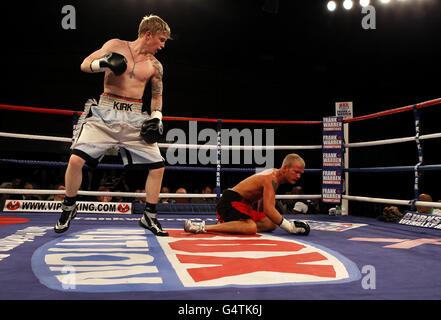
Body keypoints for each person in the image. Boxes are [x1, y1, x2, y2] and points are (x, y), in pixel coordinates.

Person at [54, 14, 172, 236]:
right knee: (75, 159)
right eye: (161, 39)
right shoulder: (115, 45)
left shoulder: (155, 66)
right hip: (105, 113)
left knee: (158, 166)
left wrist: (157, 117)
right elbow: (85, 65)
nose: (163, 45)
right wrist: (103, 63)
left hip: (135, 116)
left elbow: (156, 97)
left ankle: (150, 216)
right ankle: (69, 206)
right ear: (149, 35)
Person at [184, 153, 310, 235]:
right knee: (251, 228)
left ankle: (233, 227)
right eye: (296, 172)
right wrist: (290, 227)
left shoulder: (275, 177)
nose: (298, 176)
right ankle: (203, 227)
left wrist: (261, 215)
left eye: (301, 173)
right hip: (230, 202)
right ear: (285, 168)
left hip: (243, 205)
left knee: (270, 223)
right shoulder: (272, 179)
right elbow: (269, 209)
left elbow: (263, 204)